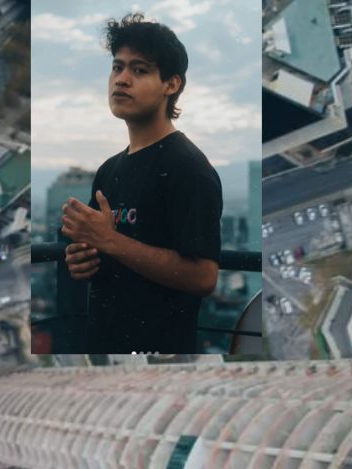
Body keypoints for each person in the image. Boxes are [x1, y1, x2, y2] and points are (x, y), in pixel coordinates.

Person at [61, 12, 222, 355]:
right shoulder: (109, 170)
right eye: (117, 67)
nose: (121, 79)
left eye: (139, 70)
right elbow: (102, 248)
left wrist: (110, 240)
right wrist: (83, 258)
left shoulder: (189, 168)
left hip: (161, 357)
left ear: (171, 84)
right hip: (101, 347)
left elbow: (204, 277)